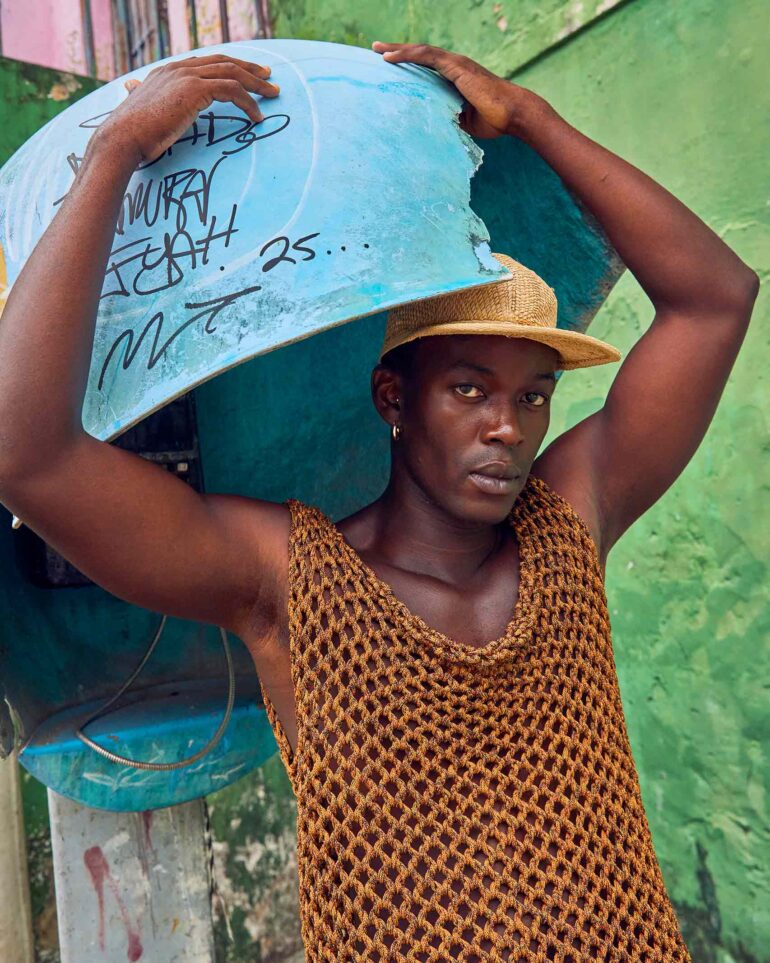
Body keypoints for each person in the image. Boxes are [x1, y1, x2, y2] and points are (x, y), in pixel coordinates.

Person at [0, 43, 758, 961]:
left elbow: (718, 297)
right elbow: (26, 452)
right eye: (469, 389)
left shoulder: (569, 519)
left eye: (531, 395)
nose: (509, 428)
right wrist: (116, 151)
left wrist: (530, 118)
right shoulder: (290, 578)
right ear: (395, 398)